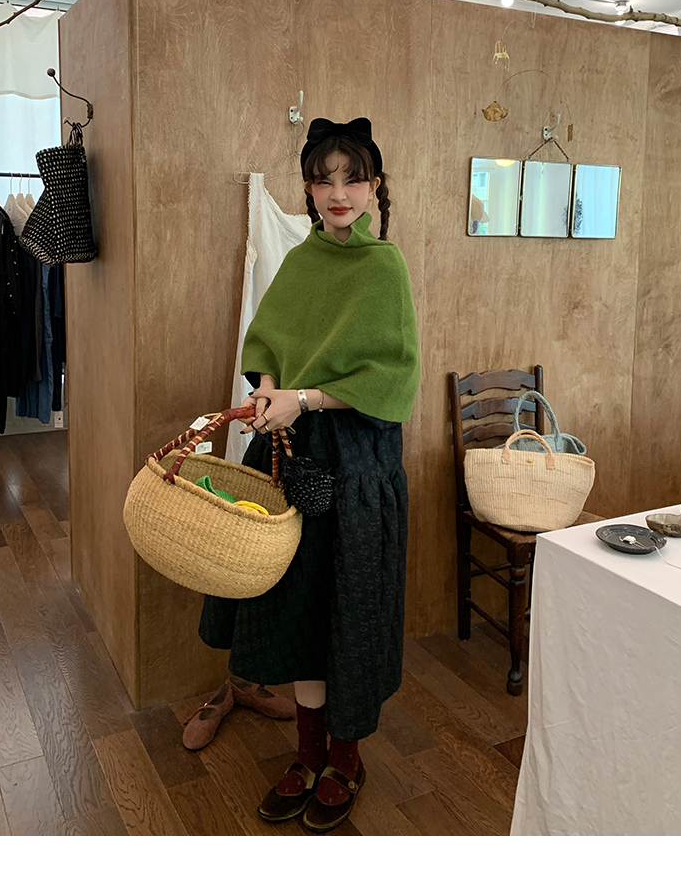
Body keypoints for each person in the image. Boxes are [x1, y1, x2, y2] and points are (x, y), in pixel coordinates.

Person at [190, 116, 420, 833]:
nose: (337, 192)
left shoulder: (385, 268)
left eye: (352, 178)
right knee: (295, 607)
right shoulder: (300, 263)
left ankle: (345, 760)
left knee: (344, 608)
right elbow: (266, 344)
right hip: (289, 455)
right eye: (324, 179)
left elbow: (391, 380)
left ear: (374, 186)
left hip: (357, 463)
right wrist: (267, 390)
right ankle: (308, 752)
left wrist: (306, 398)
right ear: (310, 190)